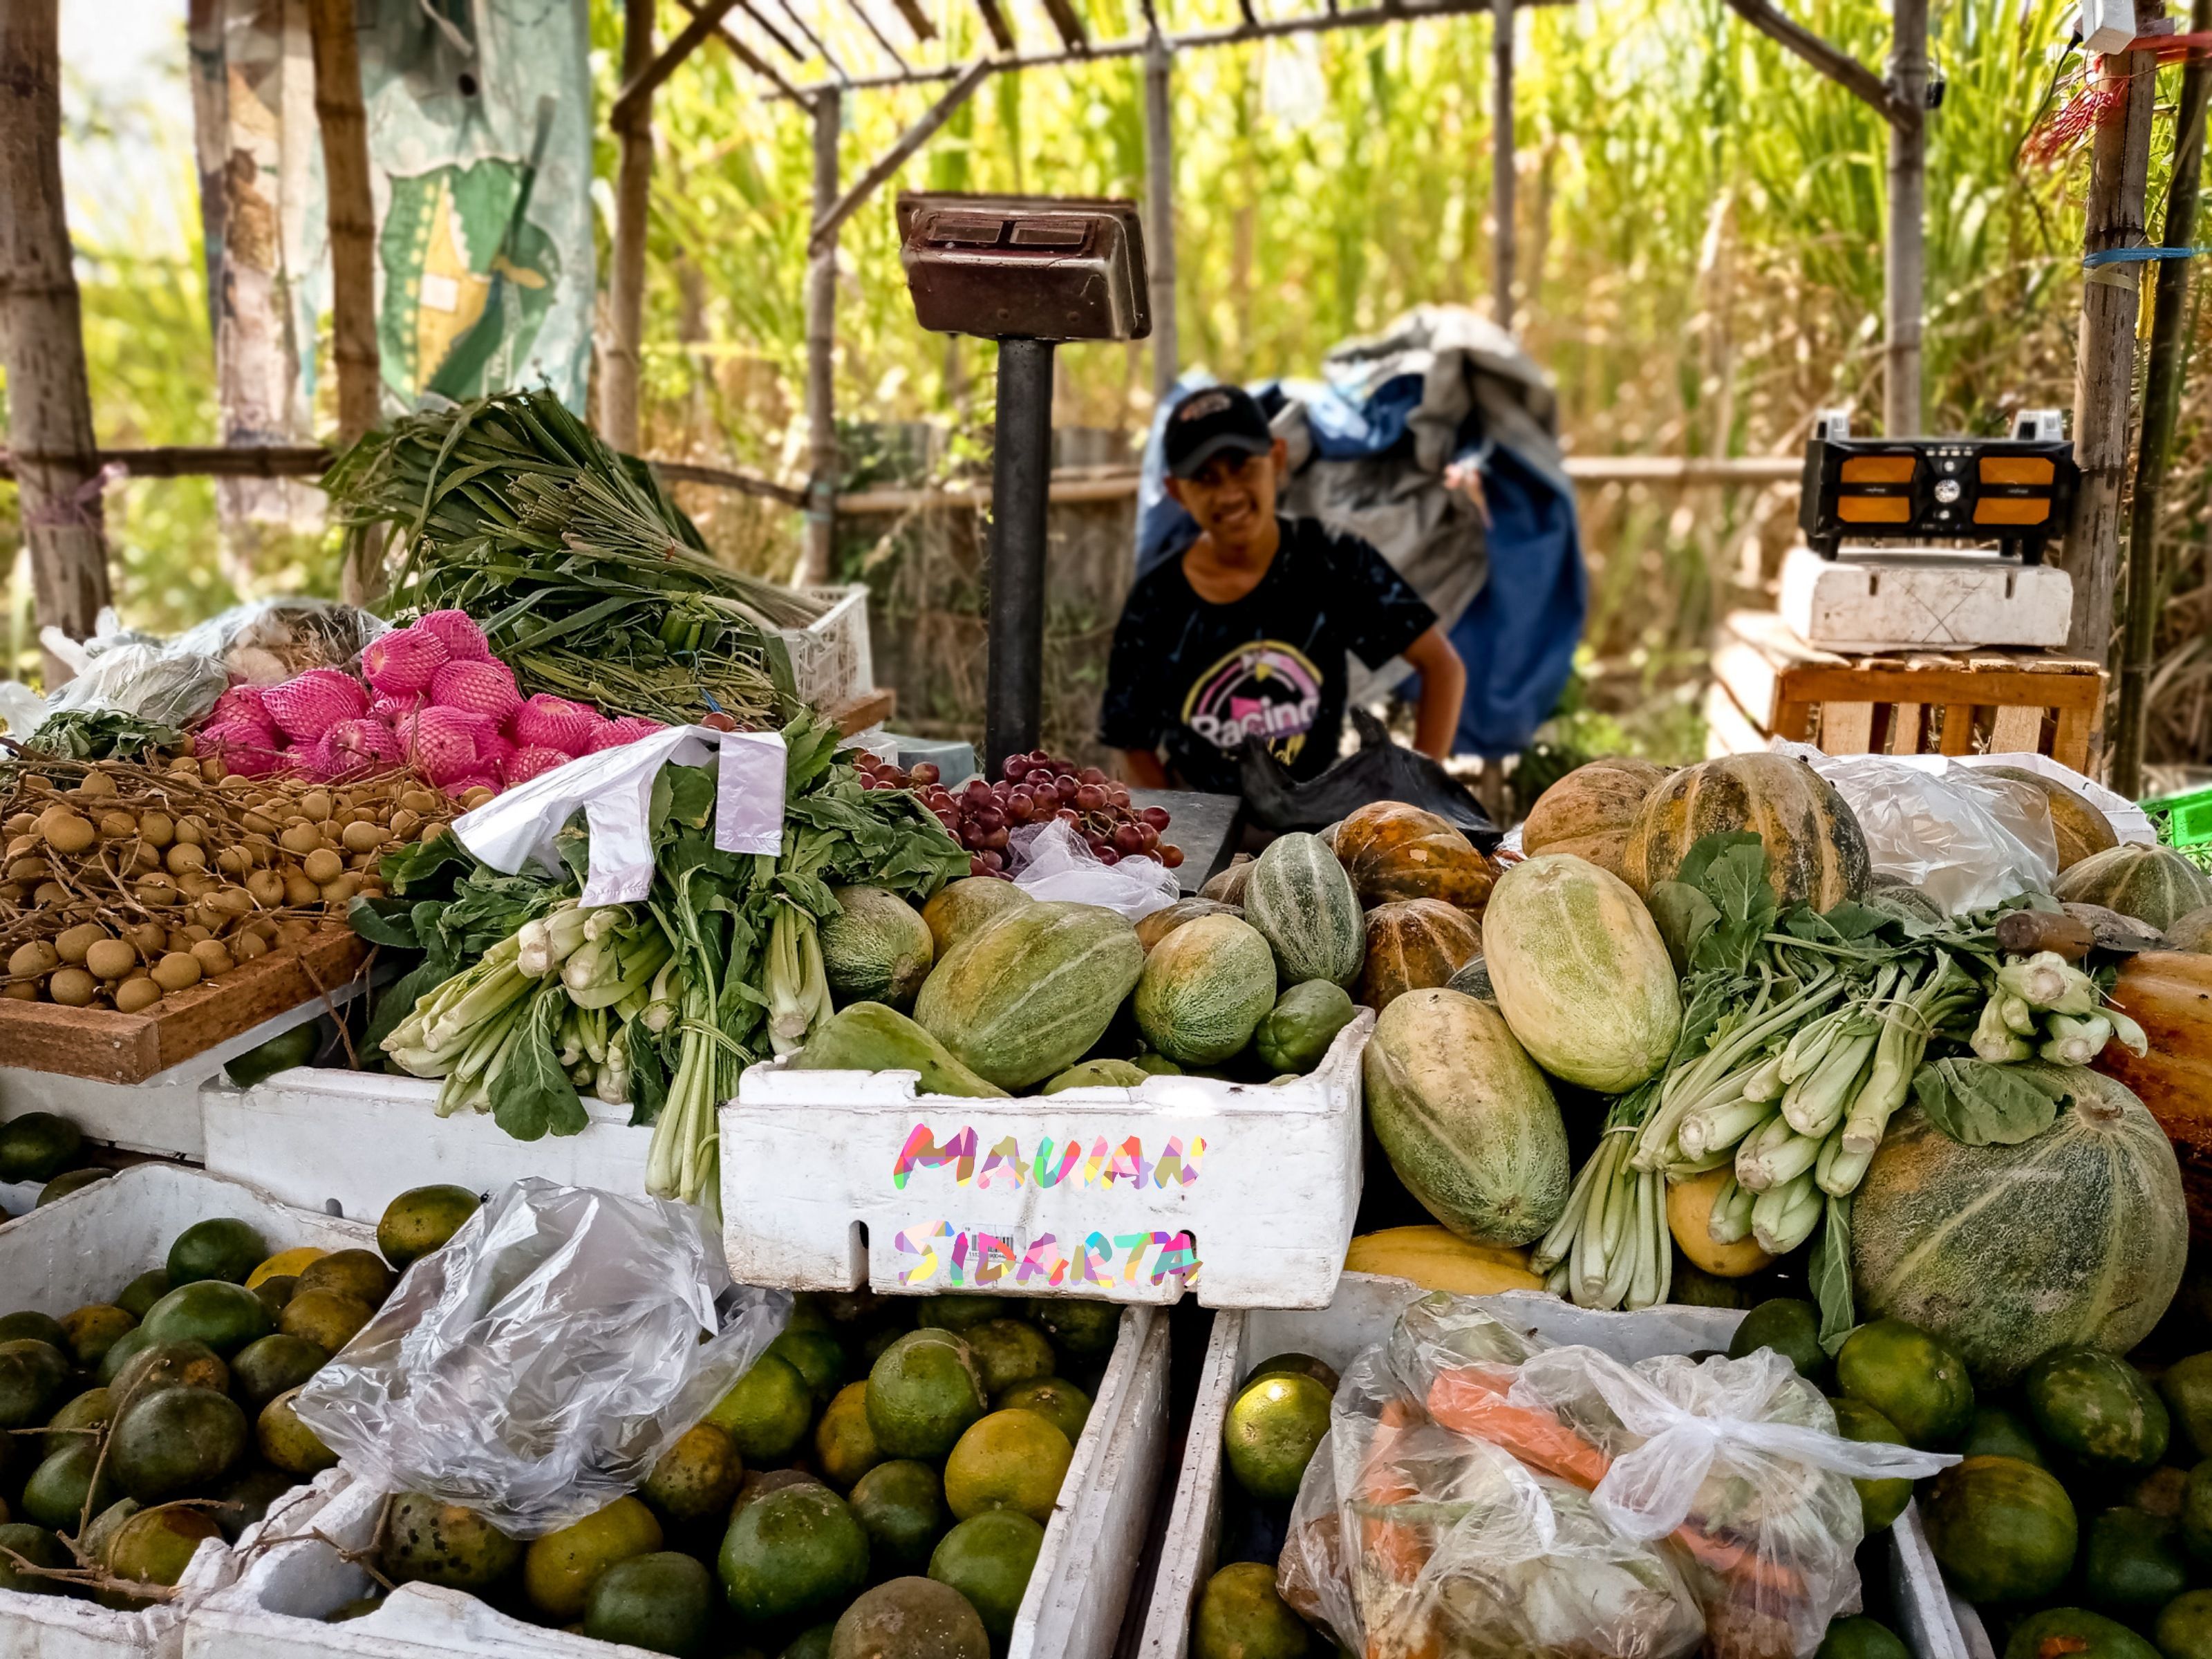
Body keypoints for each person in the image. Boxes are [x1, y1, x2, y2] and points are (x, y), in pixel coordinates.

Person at [1100, 384, 1468, 795]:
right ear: (1176, 492)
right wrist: (1180, 832)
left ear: (1276, 459)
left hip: (1315, 817)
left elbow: (1442, 667)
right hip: (1203, 823)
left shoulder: (1333, 560)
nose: (1228, 493)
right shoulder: (1157, 599)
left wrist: (1417, 800)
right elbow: (1131, 742)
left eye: (1242, 467)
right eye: (1205, 478)